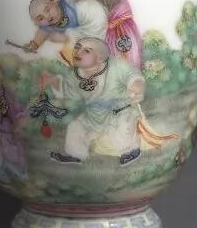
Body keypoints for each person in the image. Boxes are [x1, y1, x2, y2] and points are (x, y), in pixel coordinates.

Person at [40, 37, 145, 166]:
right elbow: (69, 92)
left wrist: (136, 85)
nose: (78, 52)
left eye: (86, 51)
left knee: (123, 128)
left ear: (100, 58)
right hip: (92, 112)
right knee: (76, 126)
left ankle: (131, 150)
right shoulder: (74, 74)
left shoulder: (116, 65)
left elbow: (132, 75)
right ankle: (75, 154)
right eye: (77, 48)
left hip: (120, 110)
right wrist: (54, 81)